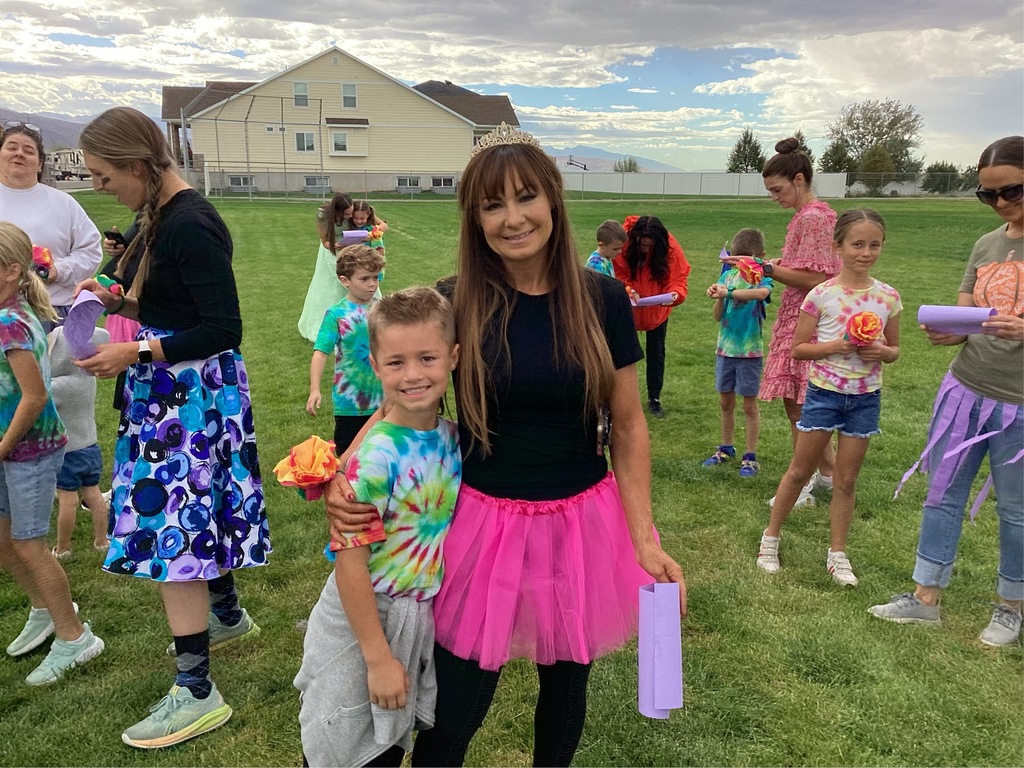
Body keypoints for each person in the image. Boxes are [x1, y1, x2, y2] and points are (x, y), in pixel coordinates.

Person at [325, 122, 686, 767]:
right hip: (481, 522)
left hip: (581, 521)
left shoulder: (601, 297)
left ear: (553, 199)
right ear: (475, 218)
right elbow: (399, 398)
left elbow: (629, 424)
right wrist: (344, 476)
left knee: (566, 686)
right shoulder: (454, 300)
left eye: (526, 197)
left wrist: (644, 535)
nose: (513, 218)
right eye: (493, 205)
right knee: (456, 706)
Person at [73, 106, 268, 748]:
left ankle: (197, 691)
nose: (100, 187)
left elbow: (223, 328)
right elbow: (174, 306)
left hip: (189, 399)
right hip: (171, 392)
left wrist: (135, 351)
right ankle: (227, 615)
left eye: (104, 176)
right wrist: (120, 302)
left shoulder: (190, 223)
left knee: (173, 527)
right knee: (198, 509)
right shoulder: (156, 217)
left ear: (136, 165)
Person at [295, 286, 461, 768]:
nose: (413, 375)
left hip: (413, 613)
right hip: (364, 617)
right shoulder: (376, 461)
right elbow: (349, 564)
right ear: (375, 365)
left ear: (453, 357)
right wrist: (377, 657)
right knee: (344, 747)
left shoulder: (451, 437)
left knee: (383, 748)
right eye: (396, 363)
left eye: (427, 358)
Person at [869, 136, 1024, 645]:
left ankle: (1010, 606)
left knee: (1016, 510)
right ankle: (926, 596)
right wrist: (950, 331)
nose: (999, 203)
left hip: (1019, 405)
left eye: (1012, 191)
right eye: (987, 194)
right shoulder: (986, 245)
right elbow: (969, 315)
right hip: (966, 389)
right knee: (942, 494)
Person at [757, 209, 901, 586]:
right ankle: (770, 538)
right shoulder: (821, 295)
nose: (866, 253)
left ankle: (837, 553)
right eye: (857, 244)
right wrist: (836, 346)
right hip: (824, 395)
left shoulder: (887, 297)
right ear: (838, 246)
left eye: (874, 245)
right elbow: (799, 348)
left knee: (846, 480)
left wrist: (882, 352)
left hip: (865, 399)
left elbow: (895, 350)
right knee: (800, 471)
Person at [0, 221, 105, 685]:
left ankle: (74, 636)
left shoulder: (10, 323)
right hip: (11, 447)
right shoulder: (9, 312)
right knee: (4, 539)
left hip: (29, 451)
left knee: (29, 544)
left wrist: (3, 448)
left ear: (11, 270)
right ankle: (44, 609)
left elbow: (35, 396)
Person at [755, 137, 840, 507]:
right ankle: (828, 475)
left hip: (809, 318)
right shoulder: (812, 216)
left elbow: (816, 278)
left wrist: (768, 269)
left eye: (777, 189)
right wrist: (775, 264)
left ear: (799, 180)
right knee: (802, 404)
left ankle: (801, 484)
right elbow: (806, 265)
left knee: (801, 407)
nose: (774, 197)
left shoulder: (813, 218)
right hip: (802, 314)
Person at [0, 121, 102, 327]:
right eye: (11, 147)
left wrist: (58, 271)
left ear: (40, 164)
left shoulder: (64, 203)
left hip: (52, 312)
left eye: (28, 150)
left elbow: (91, 252)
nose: (19, 153)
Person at [703, 227, 773, 478]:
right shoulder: (727, 277)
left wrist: (729, 293)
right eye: (735, 260)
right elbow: (717, 316)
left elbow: (762, 294)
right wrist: (719, 296)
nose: (738, 265)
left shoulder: (762, 277)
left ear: (760, 257)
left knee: (749, 405)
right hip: (725, 350)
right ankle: (725, 448)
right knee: (725, 402)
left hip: (749, 352)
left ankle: (750, 456)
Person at [306, 244, 386, 453]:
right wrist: (315, 389)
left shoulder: (384, 310)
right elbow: (320, 353)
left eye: (376, 277)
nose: (372, 284)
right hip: (350, 404)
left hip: (385, 400)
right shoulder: (336, 314)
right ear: (345, 280)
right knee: (349, 458)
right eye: (364, 279)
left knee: (382, 455)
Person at [612, 214, 690, 418]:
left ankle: (654, 398)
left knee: (656, 352)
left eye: (650, 246)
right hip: (629, 306)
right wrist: (629, 290)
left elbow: (679, 276)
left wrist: (676, 295)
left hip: (657, 309)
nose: (645, 249)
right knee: (624, 353)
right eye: (642, 245)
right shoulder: (623, 242)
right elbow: (618, 272)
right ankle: (621, 396)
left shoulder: (670, 247)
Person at [48, 324, 111, 559]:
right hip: (90, 446)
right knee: (93, 494)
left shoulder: (59, 385)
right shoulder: (87, 378)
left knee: (68, 500)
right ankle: (102, 540)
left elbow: (33, 395)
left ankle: (63, 548)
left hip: (68, 450)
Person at [298, 193, 354, 342]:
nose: (350, 216)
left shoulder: (355, 210)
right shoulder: (323, 215)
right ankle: (330, 324)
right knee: (330, 286)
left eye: (351, 212)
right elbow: (325, 241)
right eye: (346, 214)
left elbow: (378, 224)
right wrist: (337, 246)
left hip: (352, 249)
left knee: (357, 281)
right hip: (332, 250)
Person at [99, 217, 143, 343]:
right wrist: (117, 247)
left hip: (137, 304)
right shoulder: (144, 216)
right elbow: (131, 248)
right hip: (124, 303)